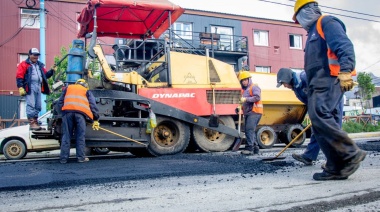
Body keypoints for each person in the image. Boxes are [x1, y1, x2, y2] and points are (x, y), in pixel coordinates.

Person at [292, 0, 366, 180]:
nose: (299, 23)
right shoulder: (311, 34)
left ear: (306, 11)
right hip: (317, 83)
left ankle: (349, 152)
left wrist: (346, 71)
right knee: (319, 123)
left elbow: (344, 45)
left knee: (319, 116)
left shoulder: (326, 22)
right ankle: (336, 167)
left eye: (298, 18)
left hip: (328, 79)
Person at [276, 68, 343, 166]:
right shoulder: (296, 87)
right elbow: (309, 101)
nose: (285, 86)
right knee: (317, 130)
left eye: (284, 83)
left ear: (288, 78)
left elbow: (324, 89)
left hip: (331, 103)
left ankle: (335, 161)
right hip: (319, 108)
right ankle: (309, 156)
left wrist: (326, 110)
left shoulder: (305, 77)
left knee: (332, 132)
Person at [57, 79, 100, 163]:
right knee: (80, 136)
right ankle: (81, 158)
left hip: (67, 113)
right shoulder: (86, 91)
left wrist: (61, 114)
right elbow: (92, 105)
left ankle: (63, 159)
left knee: (66, 136)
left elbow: (60, 102)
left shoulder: (68, 88)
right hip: (80, 115)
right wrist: (95, 118)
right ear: (85, 85)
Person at [16, 48, 55, 130]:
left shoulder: (39, 65)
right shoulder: (24, 64)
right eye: (34, 55)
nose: (36, 57)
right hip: (30, 86)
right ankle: (32, 123)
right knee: (31, 104)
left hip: (38, 86)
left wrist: (52, 71)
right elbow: (19, 76)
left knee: (38, 105)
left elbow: (46, 75)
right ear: (29, 55)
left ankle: (35, 122)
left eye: (37, 55)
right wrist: (20, 87)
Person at [237, 71, 263, 155]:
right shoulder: (244, 90)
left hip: (255, 111)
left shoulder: (254, 87)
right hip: (248, 113)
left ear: (249, 79)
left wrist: (246, 99)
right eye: (242, 80)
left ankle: (249, 149)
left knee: (249, 130)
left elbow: (257, 97)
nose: (244, 82)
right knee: (250, 130)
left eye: (245, 80)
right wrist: (239, 107)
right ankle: (255, 148)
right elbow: (243, 102)